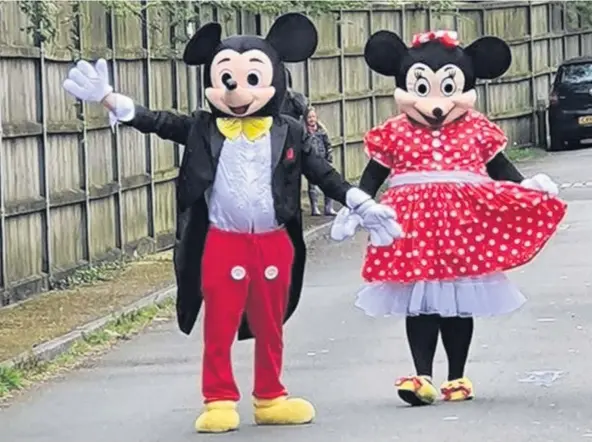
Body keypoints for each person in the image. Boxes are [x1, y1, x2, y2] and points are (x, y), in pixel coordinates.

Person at [62, 13, 401, 433]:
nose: (238, 90)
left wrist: (363, 204)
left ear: (275, 78)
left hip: (276, 241)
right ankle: (219, 398)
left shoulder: (290, 131)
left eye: (252, 79)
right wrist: (110, 98)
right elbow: (158, 122)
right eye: (227, 79)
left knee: (270, 323)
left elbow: (323, 173)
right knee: (219, 321)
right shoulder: (203, 127)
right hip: (222, 241)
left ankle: (271, 396)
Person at [331, 30, 567, 406]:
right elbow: (374, 175)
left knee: (459, 300)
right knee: (419, 301)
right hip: (411, 228)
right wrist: (356, 203)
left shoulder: (476, 129)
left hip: (464, 226)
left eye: (448, 89)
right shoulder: (393, 132)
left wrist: (528, 186)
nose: (436, 104)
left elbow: (499, 166)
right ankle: (422, 375)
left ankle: (457, 376)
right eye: (423, 88)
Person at [305, 106, 336, 216]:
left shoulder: (322, 130)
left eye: (313, 116)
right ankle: (315, 208)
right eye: (309, 117)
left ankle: (328, 207)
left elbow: (328, 145)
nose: (311, 119)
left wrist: (329, 157)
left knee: (328, 183)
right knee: (313, 186)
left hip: (323, 160)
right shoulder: (304, 132)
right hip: (310, 162)